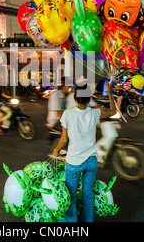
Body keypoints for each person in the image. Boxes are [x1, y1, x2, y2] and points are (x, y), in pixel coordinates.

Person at [52, 83, 101, 222]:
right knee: (87, 195)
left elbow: (64, 139)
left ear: (75, 98)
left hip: (74, 163)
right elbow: (113, 111)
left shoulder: (68, 114)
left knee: (71, 196)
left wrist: (56, 150)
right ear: (90, 98)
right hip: (91, 161)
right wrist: (110, 93)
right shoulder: (95, 112)